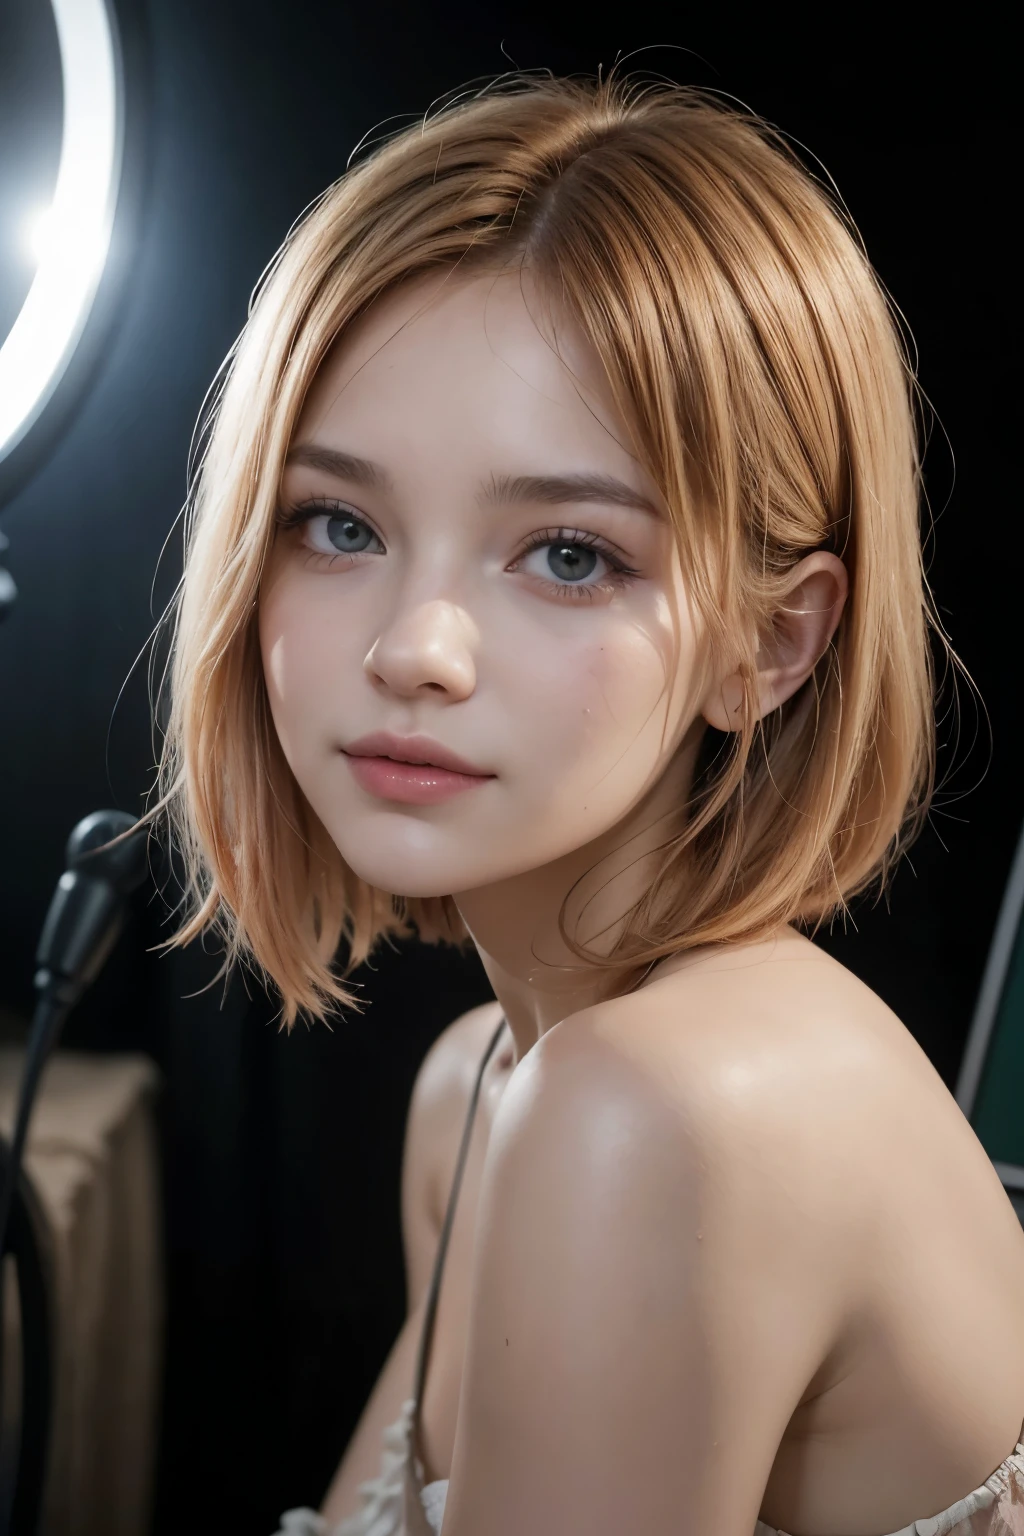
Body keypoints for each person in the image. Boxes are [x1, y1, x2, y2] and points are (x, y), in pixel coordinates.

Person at [141, 71, 1024, 1535]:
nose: (413, 648)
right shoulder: (480, 1090)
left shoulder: (651, 1117)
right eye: (338, 524)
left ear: (772, 642)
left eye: (565, 556)